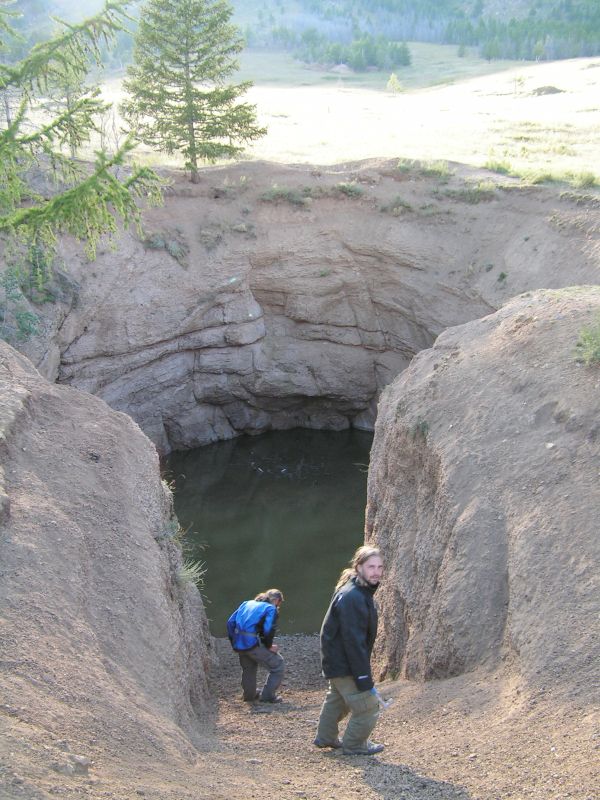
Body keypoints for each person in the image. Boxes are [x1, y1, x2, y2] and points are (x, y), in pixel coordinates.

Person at [314, 545, 385, 755]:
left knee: (337, 699)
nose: (376, 572)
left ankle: (325, 737)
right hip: (344, 664)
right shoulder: (354, 596)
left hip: (335, 661)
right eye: (371, 566)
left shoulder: (354, 590)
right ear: (359, 567)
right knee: (368, 706)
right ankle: (354, 745)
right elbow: (353, 641)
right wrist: (363, 676)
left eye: (380, 567)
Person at [227, 588, 285, 703]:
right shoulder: (270, 608)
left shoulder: (246, 603)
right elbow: (268, 630)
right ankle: (267, 695)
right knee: (278, 664)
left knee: (249, 668)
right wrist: (269, 646)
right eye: (280, 603)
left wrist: (234, 641)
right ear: (277, 600)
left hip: (239, 643)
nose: (279, 606)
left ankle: (249, 695)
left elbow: (230, 622)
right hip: (251, 644)